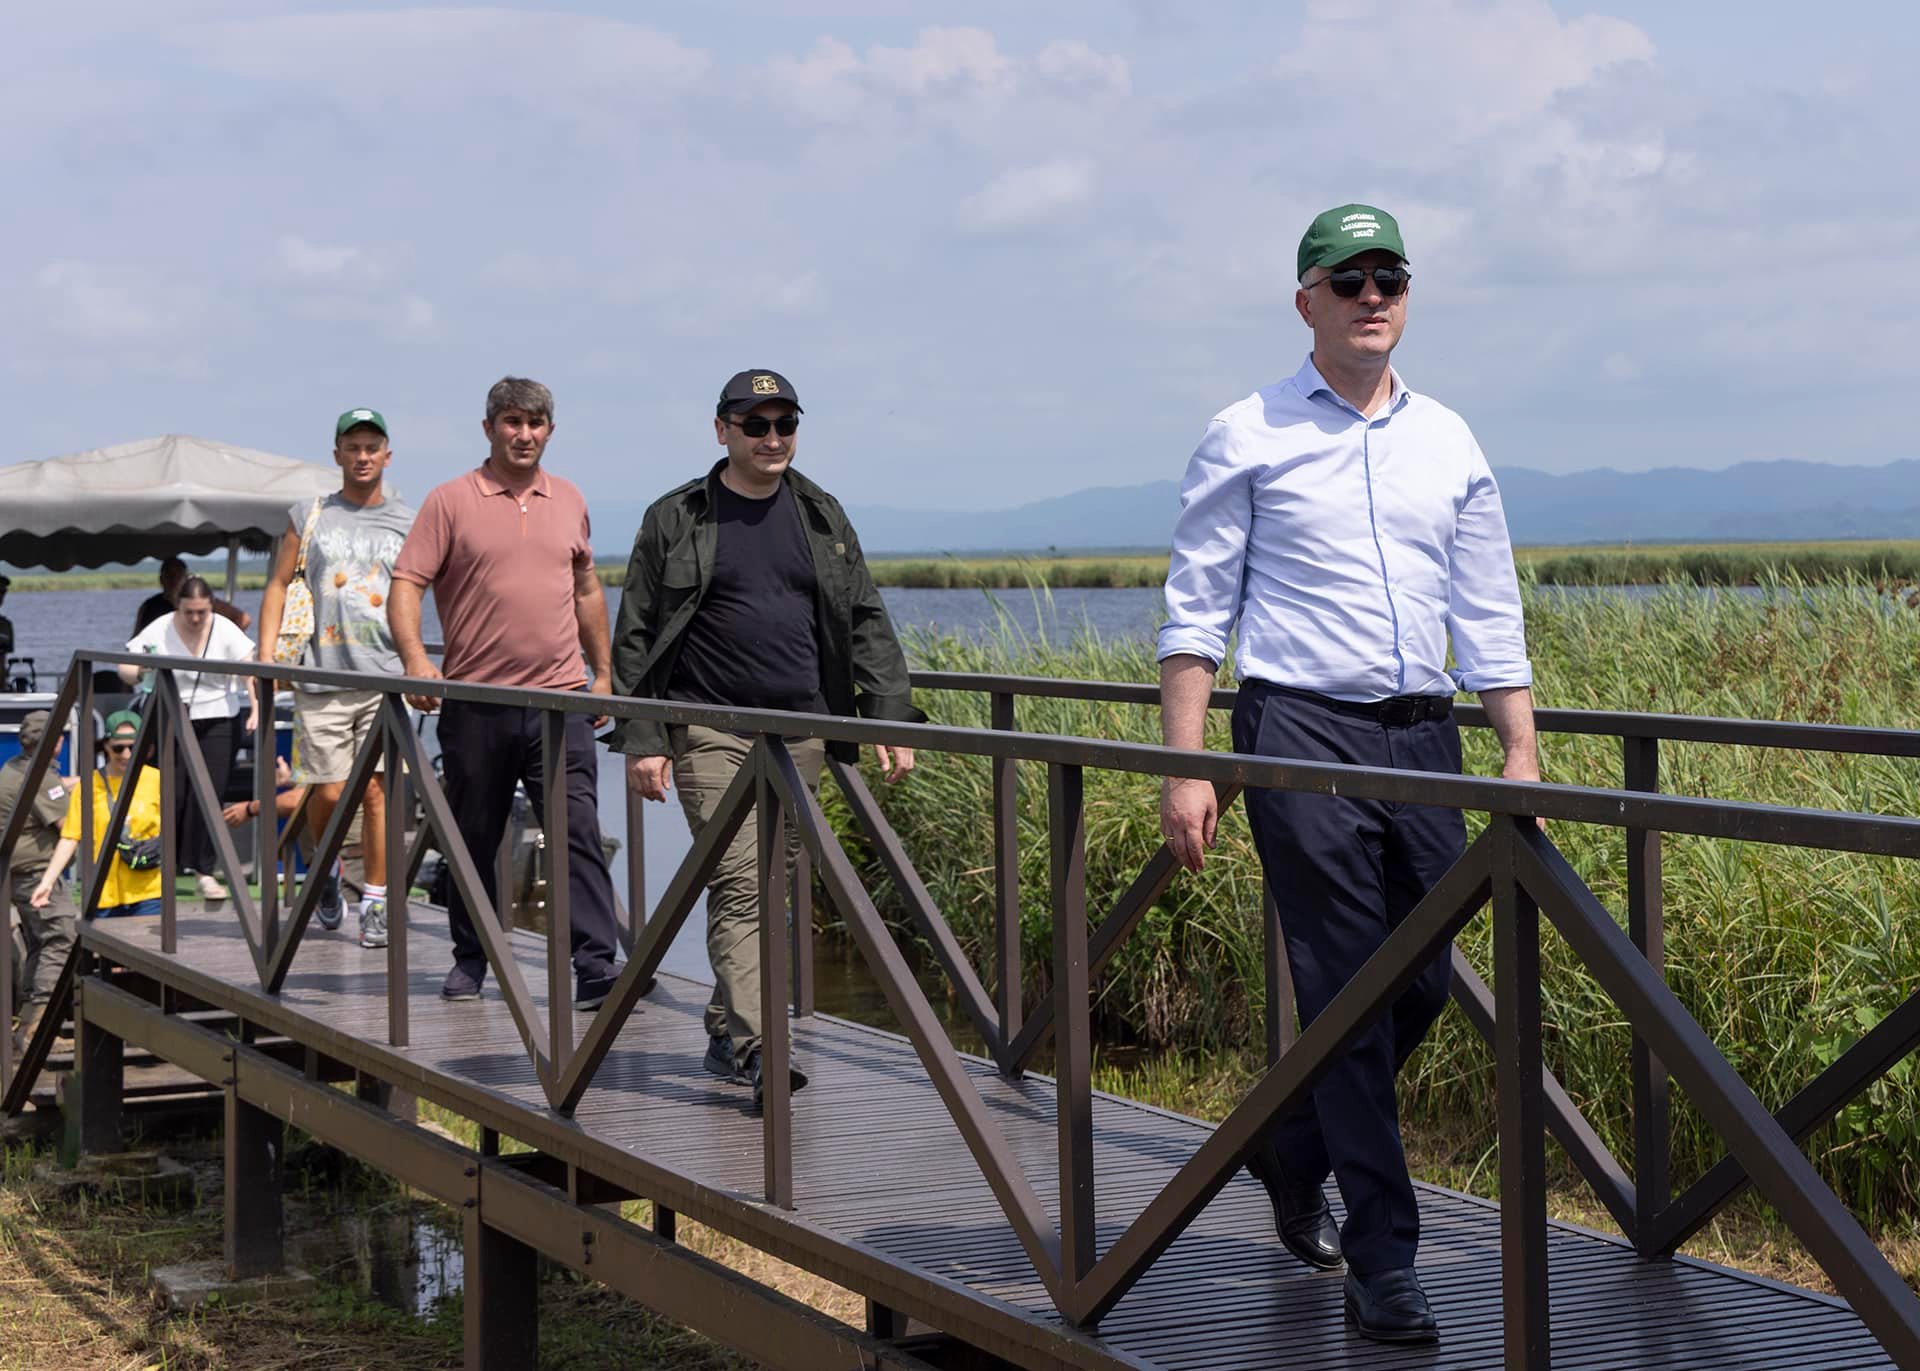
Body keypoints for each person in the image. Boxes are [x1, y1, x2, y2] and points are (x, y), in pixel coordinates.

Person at [1156, 204, 1538, 1345]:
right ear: (1306, 301)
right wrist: (1186, 766)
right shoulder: (1248, 431)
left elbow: (1488, 608)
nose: (1373, 297)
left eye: (1390, 279)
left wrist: (1518, 746)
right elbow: (1196, 612)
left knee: (1421, 982)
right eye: (1349, 279)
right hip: (1300, 737)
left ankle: (1293, 1145)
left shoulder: (1450, 439)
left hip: (1425, 739)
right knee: (1349, 993)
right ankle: (1384, 1261)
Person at [610, 369, 922, 1105]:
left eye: (785, 424)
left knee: (770, 885)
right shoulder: (677, 516)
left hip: (800, 730)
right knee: (742, 883)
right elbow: (637, 634)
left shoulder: (820, 513)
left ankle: (726, 1028)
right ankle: (760, 1048)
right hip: (709, 728)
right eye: (756, 425)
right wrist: (645, 736)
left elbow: (865, 617)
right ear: (722, 430)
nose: (773, 438)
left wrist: (887, 713)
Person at [388, 377, 621, 1009]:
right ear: (489, 428)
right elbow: (407, 583)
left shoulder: (569, 497)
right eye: (512, 422)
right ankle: (471, 958)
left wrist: (603, 674)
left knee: (577, 832)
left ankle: (596, 966)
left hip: (561, 702)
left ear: (550, 431)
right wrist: (416, 660)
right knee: (474, 837)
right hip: (477, 703)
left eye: (535, 423)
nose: (524, 434)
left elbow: (586, 590)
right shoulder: (450, 500)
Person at [256, 407, 415, 949]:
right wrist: (266, 657)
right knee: (326, 792)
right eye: (353, 447)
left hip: (385, 677)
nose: (363, 457)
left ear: (387, 455)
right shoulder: (310, 514)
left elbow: (426, 588)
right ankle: (325, 870)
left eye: (372, 447)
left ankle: (374, 900)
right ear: (338, 455)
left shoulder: (408, 520)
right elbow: (278, 584)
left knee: (377, 792)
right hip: (320, 676)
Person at [121, 576, 259, 901]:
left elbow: (250, 669)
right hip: (172, 715)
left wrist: (255, 707)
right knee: (173, 793)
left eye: (202, 612)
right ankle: (163, 865)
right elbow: (125, 667)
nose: (195, 619)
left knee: (209, 794)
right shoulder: (160, 627)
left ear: (211, 607)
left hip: (219, 717)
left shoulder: (224, 628)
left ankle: (204, 871)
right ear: (178, 607)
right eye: (189, 612)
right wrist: (142, 670)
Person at [30, 710, 166, 920]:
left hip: (148, 890)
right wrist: (47, 882)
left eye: (133, 747)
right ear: (106, 746)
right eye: (118, 748)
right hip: (103, 892)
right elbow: (70, 837)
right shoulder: (88, 786)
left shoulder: (157, 780)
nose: (126, 754)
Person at [1, 711, 79, 1053]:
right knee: (61, 939)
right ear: (56, 742)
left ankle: (27, 1025)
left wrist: (73, 784)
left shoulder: (14, 767)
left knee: (40, 944)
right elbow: (68, 825)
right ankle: (37, 1032)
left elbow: (49, 790)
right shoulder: (41, 779)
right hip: (36, 874)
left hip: (16, 874)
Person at [133, 556, 252, 635]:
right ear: (161, 579)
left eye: (178, 575)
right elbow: (136, 638)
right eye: (169, 575)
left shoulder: (202, 602)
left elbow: (243, 620)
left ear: (185, 577)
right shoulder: (149, 606)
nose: (173, 580)